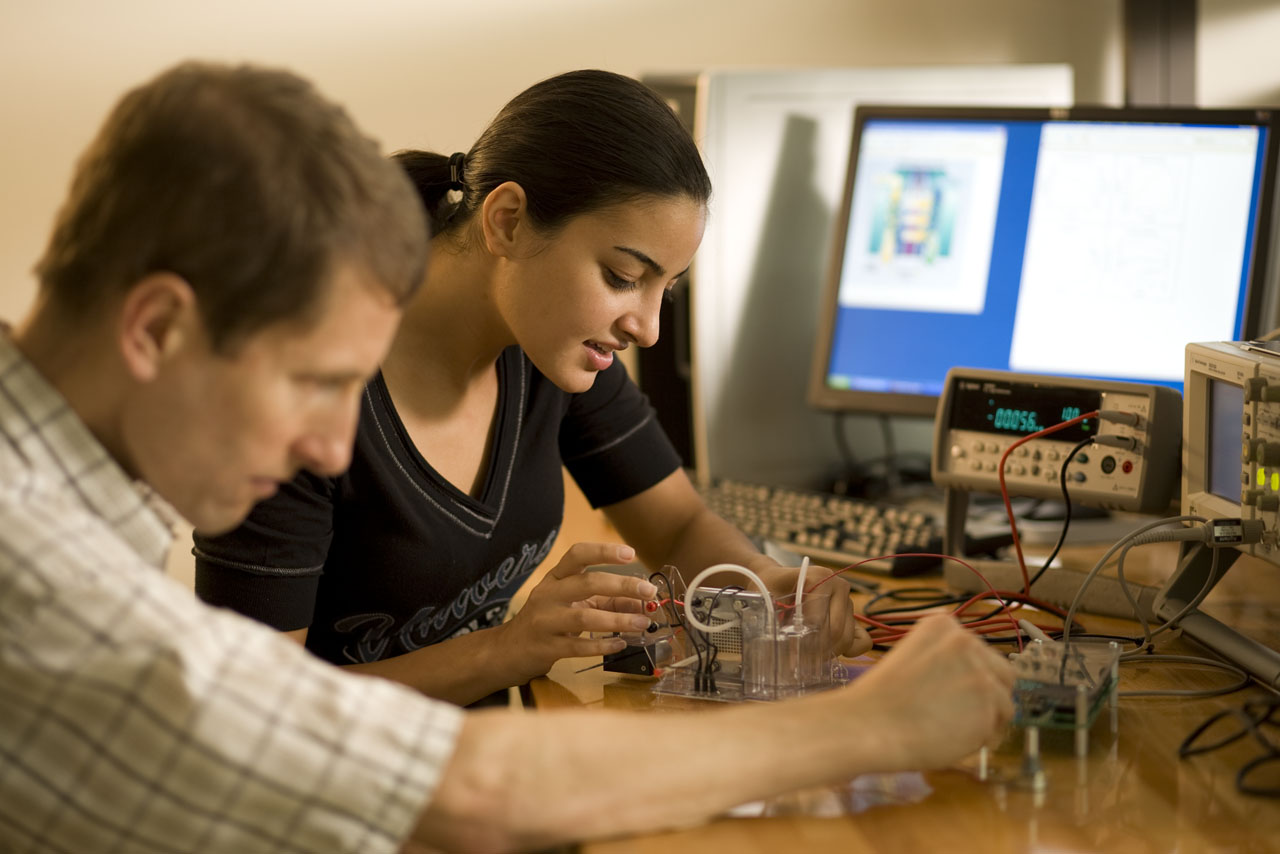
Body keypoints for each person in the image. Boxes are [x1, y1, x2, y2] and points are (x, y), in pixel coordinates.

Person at [0, 60, 1015, 853]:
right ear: (159, 329)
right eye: (313, 382)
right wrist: (871, 725)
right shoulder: (32, 565)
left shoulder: (71, 495)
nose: (329, 442)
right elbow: (470, 792)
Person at [192, 70, 867, 706]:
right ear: (507, 221)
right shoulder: (296, 397)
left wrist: (765, 585)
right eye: (623, 276)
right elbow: (256, 705)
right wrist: (508, 649)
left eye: (667, 289)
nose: (649, 329)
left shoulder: (554, 349)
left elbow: (680, 526)